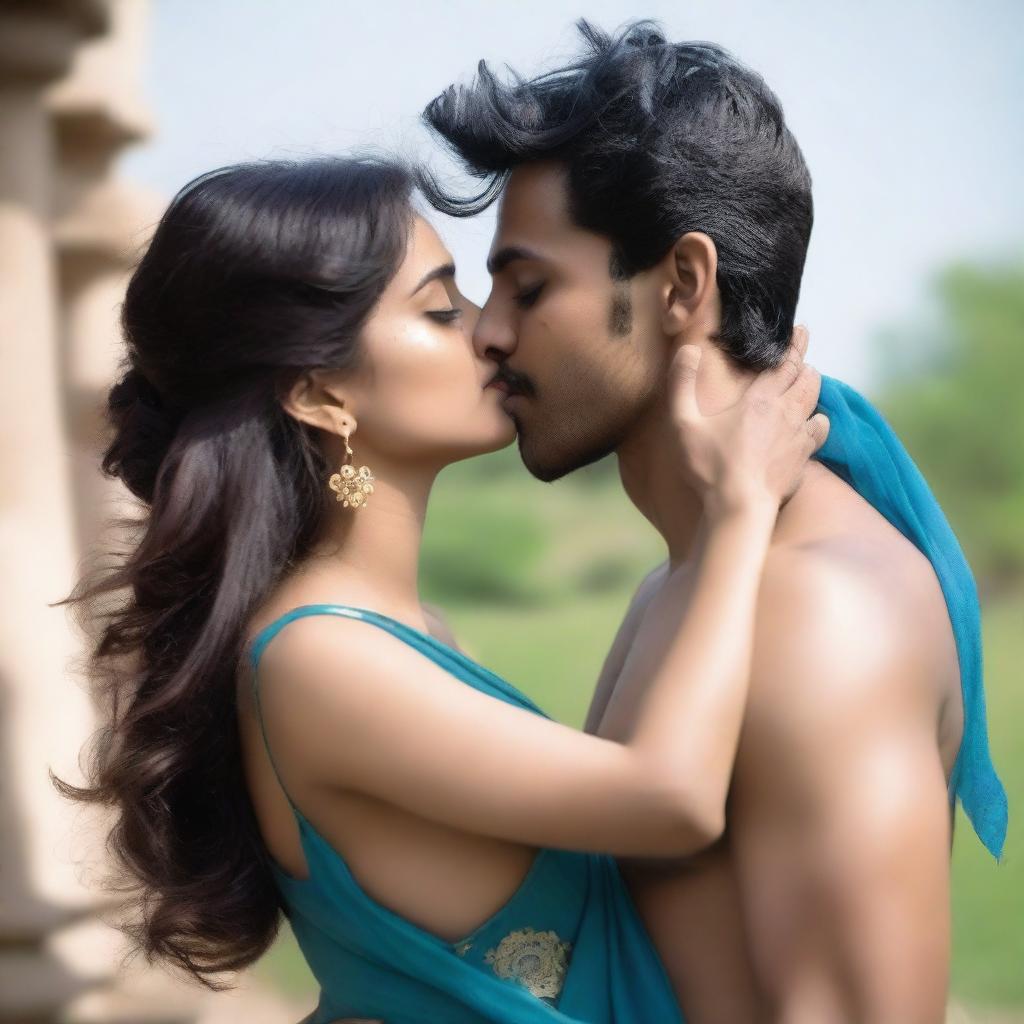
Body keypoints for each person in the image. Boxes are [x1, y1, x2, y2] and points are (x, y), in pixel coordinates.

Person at [52, 155, 827, 1024]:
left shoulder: (403, 629)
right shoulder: (317, 658)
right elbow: (670, 799)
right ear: (319, 393)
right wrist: (735, 513)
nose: (489, 333)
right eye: (439, 307)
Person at [400, 17, 1007, 1022]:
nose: (491, 333)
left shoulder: (816, 614)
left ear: (680, 285)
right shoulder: (692, 580)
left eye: (530, 284)